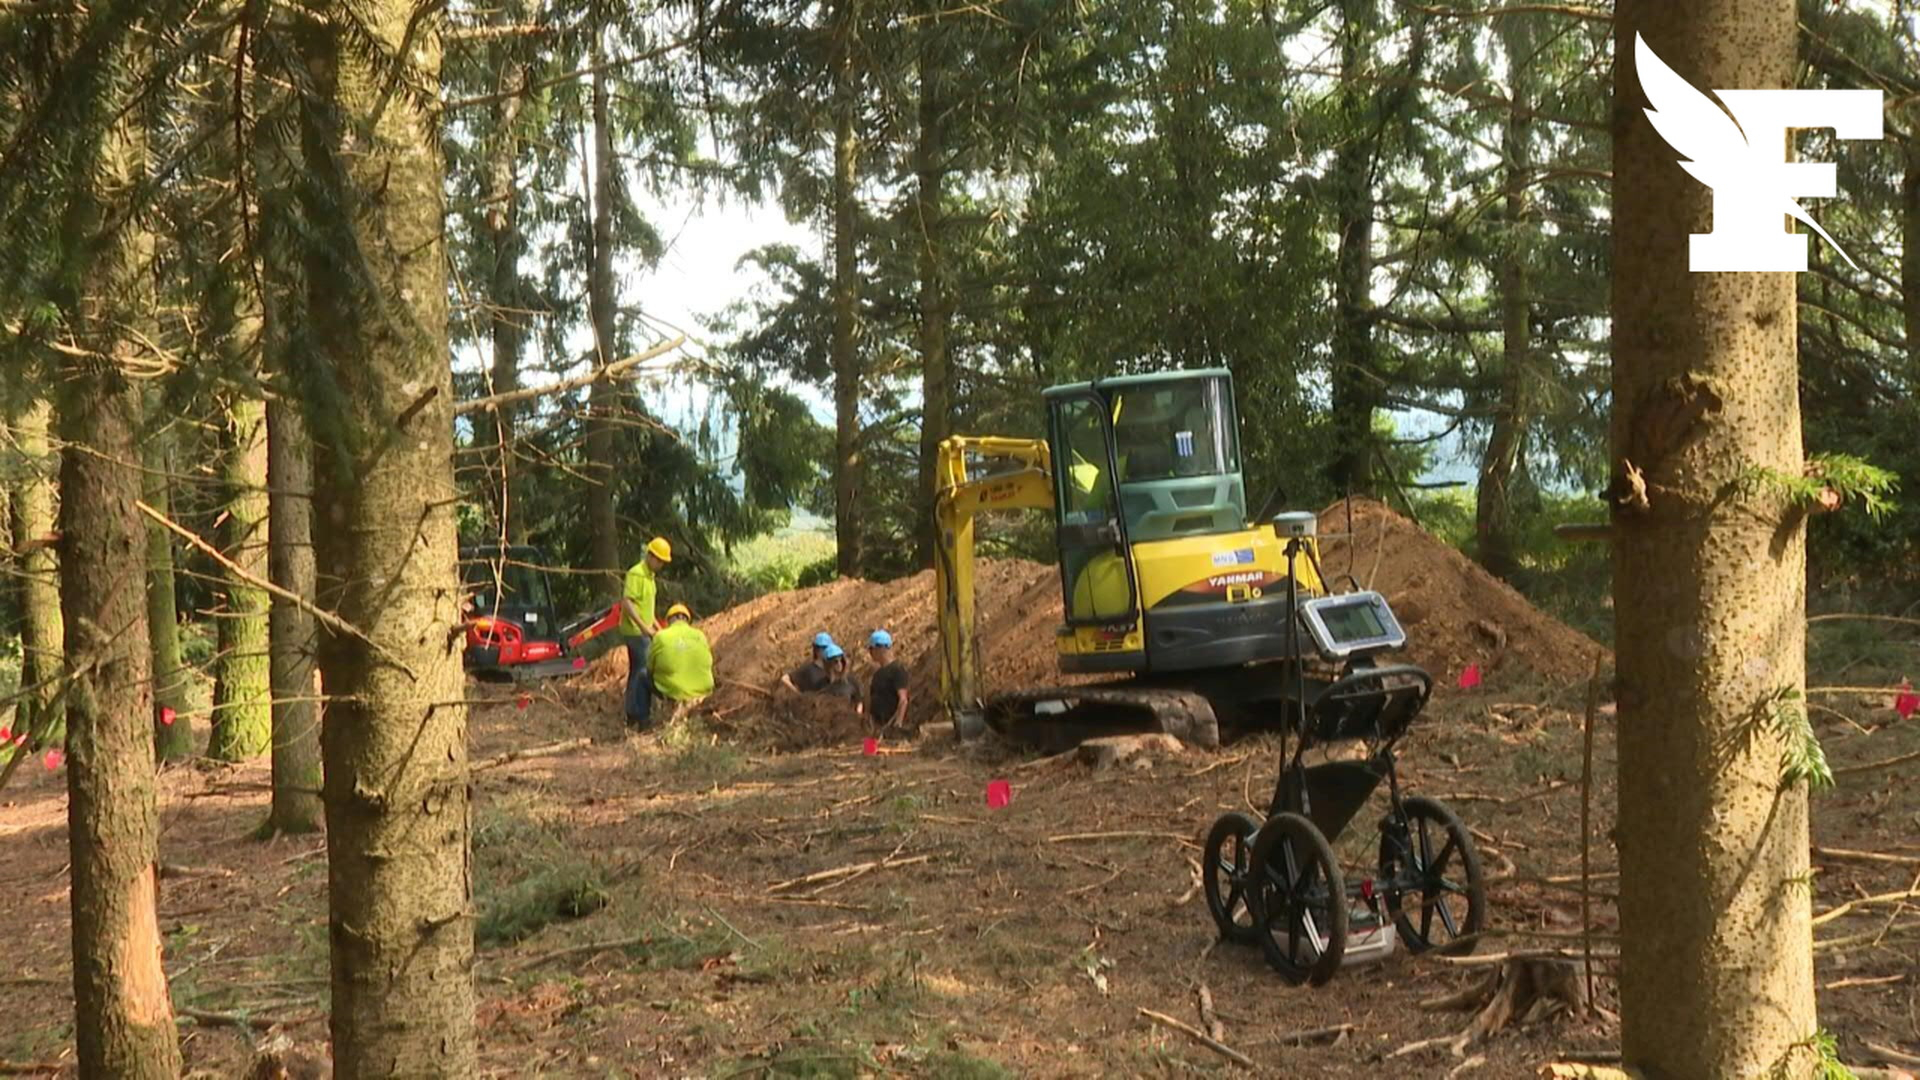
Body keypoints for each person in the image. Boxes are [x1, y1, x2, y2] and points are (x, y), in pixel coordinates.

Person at [620, 536, 671, 730]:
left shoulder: (650, 578)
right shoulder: (637, 573)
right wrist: (643, 628)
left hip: (644, 630)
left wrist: (657, 627)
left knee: (636, 672)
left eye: (663, 562)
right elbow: (627, 603)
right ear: (650, 555)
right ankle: (641, 717)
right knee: (643, 672)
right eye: (659, 560)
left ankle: (632, 714)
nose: (660, 565)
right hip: (635, 632)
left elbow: (647, 608)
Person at [647, 603, 714, 727]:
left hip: (674, 692)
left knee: (642, 676)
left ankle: (643, 721)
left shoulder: (661, 636)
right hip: (702, 691)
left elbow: (650, 667)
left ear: (669, 621)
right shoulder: (700, 636)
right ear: (687, 620)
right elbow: (709, 661)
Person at [865, 629, 909, 732]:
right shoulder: (877, 674)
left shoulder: (897, 670)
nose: (870, 653)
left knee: (886, 748)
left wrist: (898, 724)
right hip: (875, 728)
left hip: (889, 728)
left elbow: (903, 700)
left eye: (872, 649)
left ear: (881, 648)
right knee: (868, 748)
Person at [819, 644, 861, 710]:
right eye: (835, 662)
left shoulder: (852, 682)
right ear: (828, 664)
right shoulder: (821, 684)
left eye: (841, 660)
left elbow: (859, 702)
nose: (839, 664)